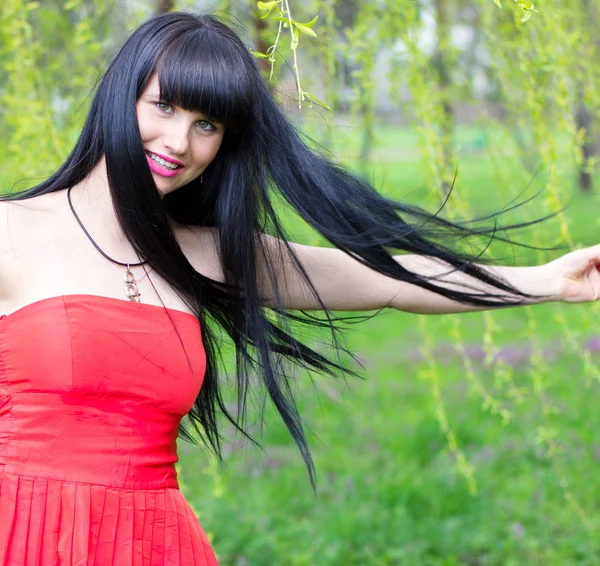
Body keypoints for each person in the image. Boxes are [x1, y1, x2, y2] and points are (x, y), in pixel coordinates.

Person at [0, 10, 598, 566]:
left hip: (155, 542)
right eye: (162, 107)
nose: (179, 142)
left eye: (206, 124)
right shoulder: (13, 232)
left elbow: (391, 280)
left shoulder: (210, 253)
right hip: (22, 531)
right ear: (118, 96)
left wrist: (543, 281)